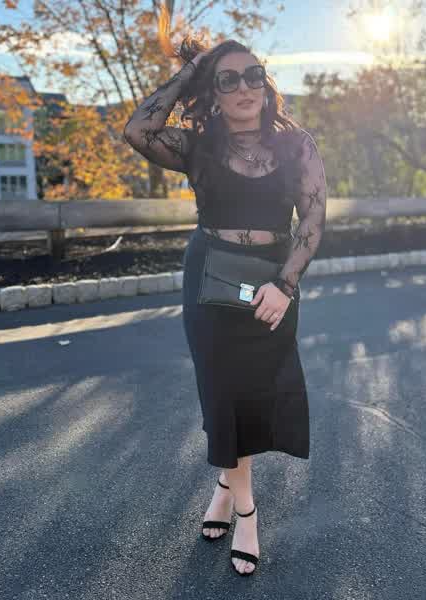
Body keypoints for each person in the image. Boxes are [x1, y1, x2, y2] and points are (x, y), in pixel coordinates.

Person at [123, 34, 327, 576]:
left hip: (272, 282)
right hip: (209, 280)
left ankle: (222, 487)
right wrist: (191, 71)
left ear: (266, 82)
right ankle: (247, 511)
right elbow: (138, 130)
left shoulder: (297, 144)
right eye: (228, 79)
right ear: (212, 91)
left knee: (254, 394)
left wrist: (285, 286)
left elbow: (312, 221)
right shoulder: (197, 145)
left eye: (252, 74)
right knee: (222, 394)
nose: (243, 87)